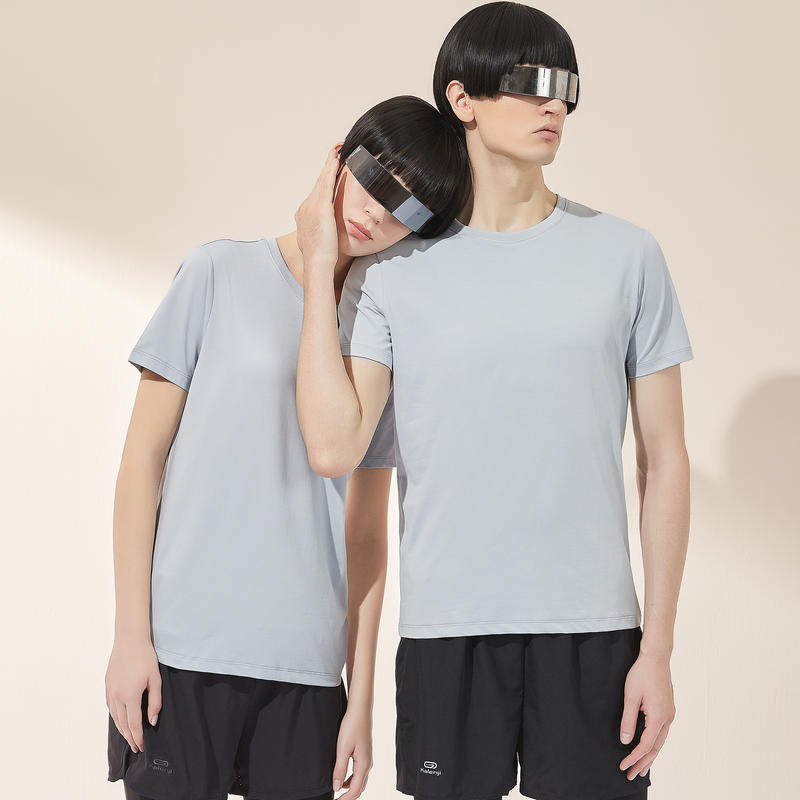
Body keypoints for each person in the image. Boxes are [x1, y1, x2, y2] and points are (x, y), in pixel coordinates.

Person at [295, 4, 693, 800]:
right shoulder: (393, 273)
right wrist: (318, 266)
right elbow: (336, 449)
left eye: (566, 87)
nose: (554, 104)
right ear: (462, 98)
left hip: (594, 630)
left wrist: (657, 650)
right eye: (530, 83)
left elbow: (665, 461)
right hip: (447, 630)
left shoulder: (627, 255)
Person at [105, 95, 471, 800]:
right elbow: (141, 465)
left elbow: (366, 534)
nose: (378, 211)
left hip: (306, 670)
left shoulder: (378, 334)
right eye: (375, 178)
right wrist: (129, 638)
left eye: (409, 208)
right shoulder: (216, 272)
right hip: (181, 653)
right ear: (339, 158)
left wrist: (360, 700)